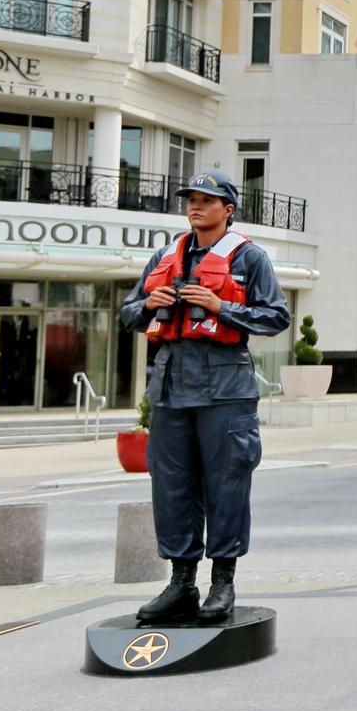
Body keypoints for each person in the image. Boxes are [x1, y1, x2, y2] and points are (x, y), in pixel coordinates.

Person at [121, 171, 291, 626]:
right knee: (171, 485)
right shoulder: (166, 255)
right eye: (191, 199)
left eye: (206, 200)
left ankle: (223, 583)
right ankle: (181, 584)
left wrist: (221, 307)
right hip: (171, 387)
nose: (195, 206)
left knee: (227, 484)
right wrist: (149, 305)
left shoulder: (250, 257)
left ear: (227, 209)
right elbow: (128, 312)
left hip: (226, 389)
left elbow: (276, 316)